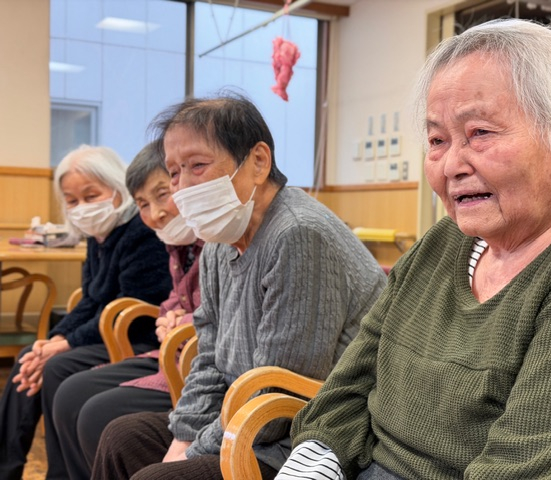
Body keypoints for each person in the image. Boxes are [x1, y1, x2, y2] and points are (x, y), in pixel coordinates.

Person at [276, 18, 551, 480]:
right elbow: (348, 386)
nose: (451, 165)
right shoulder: (446, 241)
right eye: (437, 140)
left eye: (480, 133)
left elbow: (534, 468)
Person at [91, 93, 388, 480]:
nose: (182, 188)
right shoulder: (219, 240)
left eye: (198, 166)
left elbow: (280, 398)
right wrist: (182, 439)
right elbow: (209, 356)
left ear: (258, 162)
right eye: (175, 172)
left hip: (303, 438)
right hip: (242, 418)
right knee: (122, 438)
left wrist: (193, 452)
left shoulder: (299, 233)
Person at [0, 145, 173, 480]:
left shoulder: (142, 230)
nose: (81, 207)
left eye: (91, 196)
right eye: (72, 200)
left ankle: (60, 474)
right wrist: (53, 340)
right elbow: (91, 300)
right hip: (106, 330)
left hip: (135, 337)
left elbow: (129, 305)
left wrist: (64, 345)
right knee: (30, 358)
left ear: (117, 188)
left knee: (55, 366)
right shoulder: (98, 235)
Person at [50, 141, 204, 479]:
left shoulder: (198, 237)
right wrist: (56, 338)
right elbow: (168, 299)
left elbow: (215, 313)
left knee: (87, 404)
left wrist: (178, 321)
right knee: (64, 387)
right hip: (171, 352)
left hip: (179, 356)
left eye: (163, 195)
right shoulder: (174, 244)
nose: (156, 213)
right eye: (144, 203)